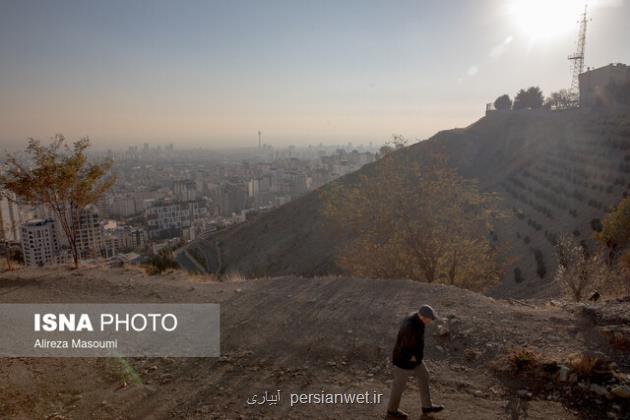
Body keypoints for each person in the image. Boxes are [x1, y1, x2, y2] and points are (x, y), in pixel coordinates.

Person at [386, 304, 444, 418]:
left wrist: (416, 359)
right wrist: (412, 358)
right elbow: (404, 346)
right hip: (403, 362)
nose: (431, 321)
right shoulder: (410, 326)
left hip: (415, 360)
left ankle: (426, 407)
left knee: (424, 375)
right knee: (398, 387)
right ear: (422, 316)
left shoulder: (418, 321)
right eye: (430, 319)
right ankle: (392, 412)